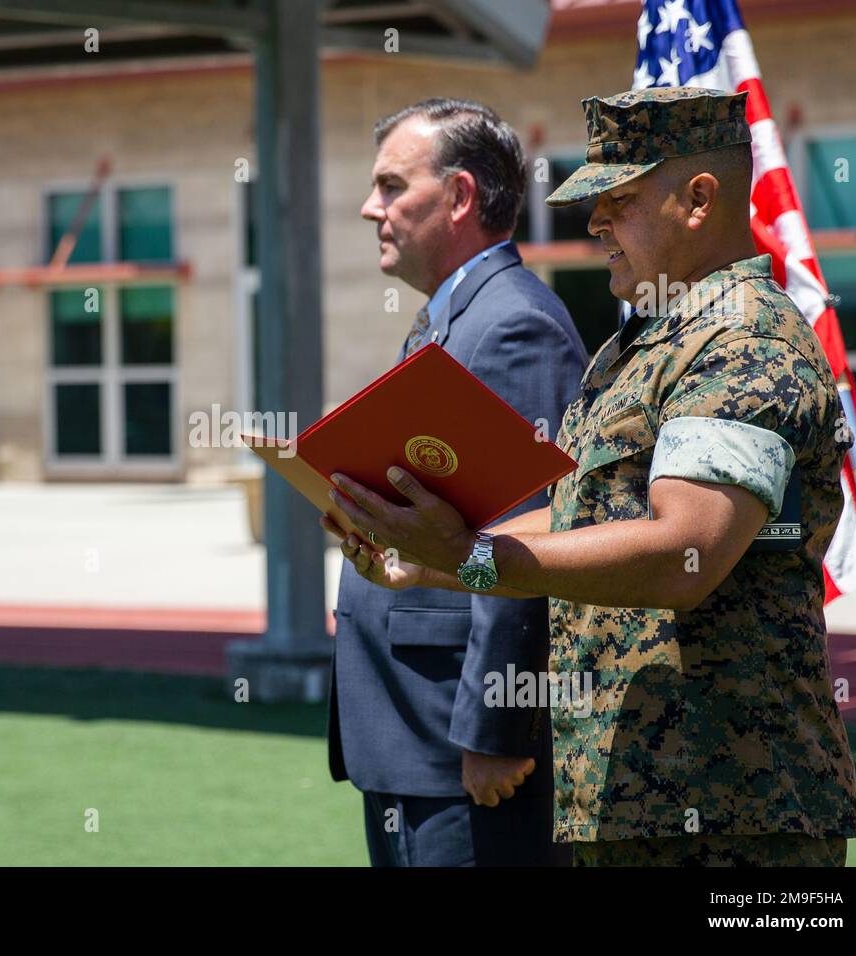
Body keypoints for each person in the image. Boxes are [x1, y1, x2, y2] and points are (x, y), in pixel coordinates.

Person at [324, 87, 856, 866]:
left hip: (732, 813)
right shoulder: (643, 344)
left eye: (620, 200)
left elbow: (686, 552)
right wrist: (445, 547)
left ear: (700, 198)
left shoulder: (745, 341)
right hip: (629, 799)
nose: (595, 223)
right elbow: (583, 510)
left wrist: (476, 559)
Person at [325, 98, 586, 866]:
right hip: (415, 736)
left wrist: (495, 730)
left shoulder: (512, 324)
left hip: (461, 752)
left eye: (392, 186)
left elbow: (532, 537)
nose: (370, 207)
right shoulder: (450, 318)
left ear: (461, 196)